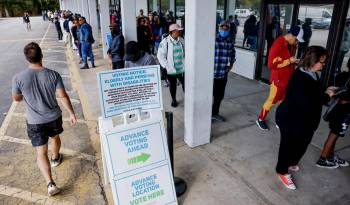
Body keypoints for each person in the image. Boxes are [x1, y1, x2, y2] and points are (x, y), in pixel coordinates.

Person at [12, 42, 77, 196]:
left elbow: (16, 98)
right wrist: (71, 113)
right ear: (42, 55)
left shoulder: (18, 78)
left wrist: (25, 93)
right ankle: (55, 158)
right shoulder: (53, 74)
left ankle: (50, 183)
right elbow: (63, 96)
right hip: (54, 117)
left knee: (41, 152)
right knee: (55, 138)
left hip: (34, 121)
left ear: (27, 58)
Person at [275, 46, 336, 190]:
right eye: (322, 62)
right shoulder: (299, 78)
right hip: (290, 119)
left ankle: (291, 162)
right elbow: (308, 103)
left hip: (305, 120)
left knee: (303, 142)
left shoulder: (313, 73)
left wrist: (326, 91)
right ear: (313, 61)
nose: (324, 65)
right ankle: (282, 171)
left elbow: (314, 94)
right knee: (287, 146)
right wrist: (327, 95)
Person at [256, 26, 304, 130]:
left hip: (287, 80)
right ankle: (260, 119)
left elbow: (289, 60)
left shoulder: (291, 45)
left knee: (283, 102)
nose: (296, 42)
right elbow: (270, 65)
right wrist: (289, 61)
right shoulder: (278, 44)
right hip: (278, 81)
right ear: (291, 35)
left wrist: (294, 62)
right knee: (271, 100)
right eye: (296, 40)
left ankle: (279, 120)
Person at [316, 58, 350, 168]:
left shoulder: (341, 75)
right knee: (334, 135)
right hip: (344, 113)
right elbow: (345, 99)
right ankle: (323, 159)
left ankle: (330, 156)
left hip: (336, 109)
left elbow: (336, 92)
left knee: (334, 134)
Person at [212, 21, 236, 122]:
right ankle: (206, 115)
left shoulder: (230, 40)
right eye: (222, 27)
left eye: (226, 28)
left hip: (223, 74)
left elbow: (232, 53)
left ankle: (215, 113)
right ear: (219, 28)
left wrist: (231, 64)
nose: (224, 30)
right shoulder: (213, 39)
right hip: (211, 74)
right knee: (209, 96)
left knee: (219, 96)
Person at [157, 24, 185, 107]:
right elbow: (160, 56)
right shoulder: (165, 42)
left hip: (182, 68)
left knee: (186, 84)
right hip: (171, 69)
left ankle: (188, 98)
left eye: (180, 30)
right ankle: (174, 99)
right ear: (172, 32)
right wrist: (166, 67)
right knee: (173, 86)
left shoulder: (181, 40)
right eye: (178, 30)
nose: (180, 32)